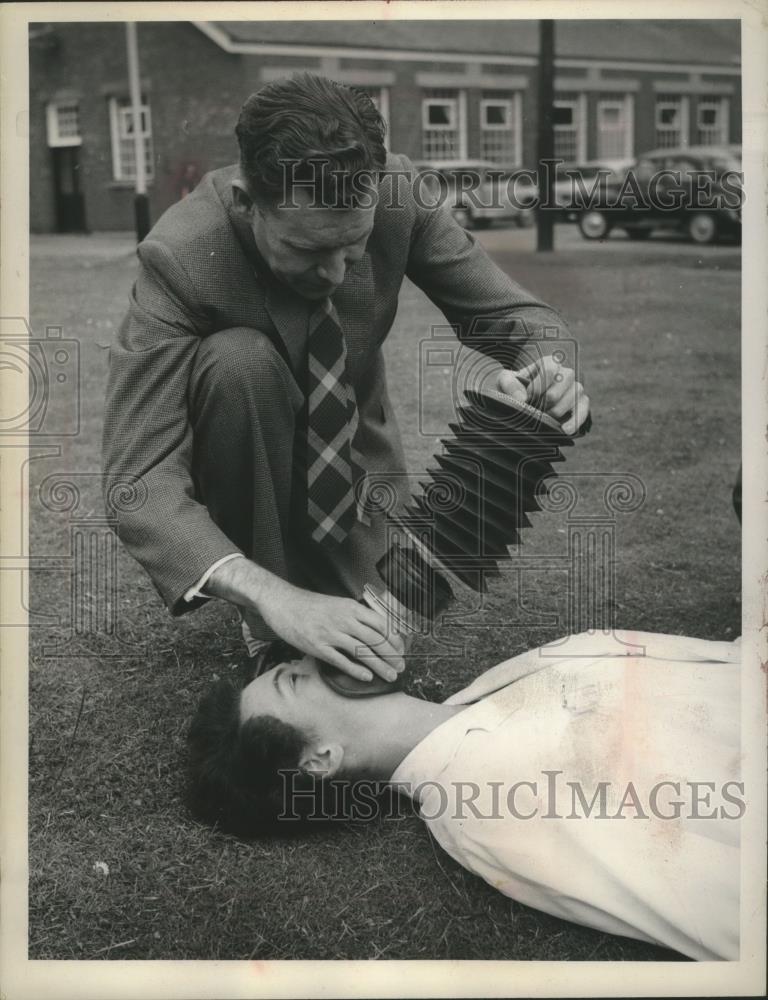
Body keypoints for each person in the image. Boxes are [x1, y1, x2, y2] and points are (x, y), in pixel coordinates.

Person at [102, 74, 589, 684]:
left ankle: (338, 559)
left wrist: (546, 369)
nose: (334, 273)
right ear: (248, 203)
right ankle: (264, 608)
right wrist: (276, 599)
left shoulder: (399, 192)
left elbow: (510, 315)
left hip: (354, 456)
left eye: (352, 244)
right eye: (307, 250)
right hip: (240, 441)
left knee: (374, 648)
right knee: (238, 363)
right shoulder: (178, 255)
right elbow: (137, 483)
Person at [187, 630, 741, 962]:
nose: (315, 654)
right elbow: (727, 908)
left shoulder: (477, 702)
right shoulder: (490, 807)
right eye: (294, 678)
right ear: (320, 762)